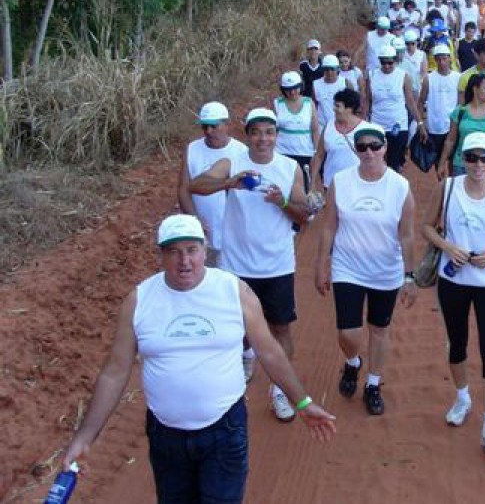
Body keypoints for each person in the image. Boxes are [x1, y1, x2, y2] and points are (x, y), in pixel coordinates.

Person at [59, 215, 336, 504]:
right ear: (161, 255)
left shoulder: (233, 291)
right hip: (166, 437)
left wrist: (302, 401)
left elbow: (268, 350)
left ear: (205, 251)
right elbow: (115, 373)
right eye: (173, 251)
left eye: (192, 250)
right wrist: (84, 438)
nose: (184, 261)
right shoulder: (139, 301)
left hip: (224, 431)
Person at [189, 108, 311, 421]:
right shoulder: (234, 162)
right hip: (236, 264)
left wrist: (282, 201)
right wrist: (230, 183)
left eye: (269, 132)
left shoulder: (290, 167)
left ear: (276, 136)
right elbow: (196, 185)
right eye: (256, 132)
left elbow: (304, 215)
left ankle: (282, 392)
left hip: (277, 265)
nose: (263, 139)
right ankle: (244, 361)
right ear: (248, 136)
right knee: (235, 327)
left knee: (280, 327)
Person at [421, 132, 485, 453]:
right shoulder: (448, 188)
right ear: (461, 159)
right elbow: (426, 226)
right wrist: (449, 246)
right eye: (471, 157)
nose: (478, 164)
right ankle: (463, 396)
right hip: (452, 282)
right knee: (457, 344)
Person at [315, 124, 418, 416]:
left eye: (375, 146)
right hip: (348, 267)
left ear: (385, 147)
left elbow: (407, 234)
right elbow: (329, 225)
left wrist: (410, 277)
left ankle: (373, 384)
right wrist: (321, 265)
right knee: (348, 332)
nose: (369, 152)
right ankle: (352, 362)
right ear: (355, 151)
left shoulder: (399, 186)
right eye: (362, 147)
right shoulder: (342, 181)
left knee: (379, 329)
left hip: (385, 271)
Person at [177, 101, 247, 268]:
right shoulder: (192, 149)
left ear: (227, 124)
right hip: (203, 231)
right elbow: (183, 189)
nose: (208, 131)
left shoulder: (241, 152)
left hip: (233, 233)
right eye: (205, 127)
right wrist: (195, 220)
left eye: (214, 126)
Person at [365, 44, 426, 173]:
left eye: (390, 62)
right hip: (377, 125)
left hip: (398, 125)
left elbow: (410, 101)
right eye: (383, 62)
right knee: (377, 161)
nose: (386, 66)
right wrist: (363, 122)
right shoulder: (371, 76)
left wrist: (420, 122)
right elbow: (367, 101)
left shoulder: (403, 76)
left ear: (395, 60)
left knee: (395, 163)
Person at [440, 73, 485, 181]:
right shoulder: (460, 112)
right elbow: (450, 140)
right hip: (462, 164)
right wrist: (442, 163)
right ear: (475, 89)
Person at [311, 88, 367, 192]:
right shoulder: (328, 126)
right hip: (331, 184)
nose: (334, 109)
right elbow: (319, 155)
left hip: (358, 184)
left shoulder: (365, 129)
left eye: (338, 106)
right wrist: (312, 182)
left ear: (349, 109)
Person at [273, 71, 319, 194]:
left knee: (303, 188)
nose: (292, 92)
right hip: (282, 152)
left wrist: (316, 152)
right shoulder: (277, 104)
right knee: (283, 186)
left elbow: (315, 130)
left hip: (304, 152)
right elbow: (272, 130)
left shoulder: (309, 104)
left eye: (295, 88)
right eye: (288, 89)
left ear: (300, 86)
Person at [419, 44, 462, 172]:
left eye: (444, 58)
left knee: (454, 162)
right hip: (435, 128)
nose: (442, 62)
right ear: (435, 60)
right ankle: (443, 187)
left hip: (453, 127)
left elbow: (461, 104)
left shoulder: (458, 78)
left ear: (450, 59)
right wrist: (421, 123)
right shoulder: (428, 79)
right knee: (439, 163)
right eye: (439, 59)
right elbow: (420, 102)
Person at [313, 54, 354, 131]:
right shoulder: (316, 85)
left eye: (332, 69)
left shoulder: (345, 83)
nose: (329, 72)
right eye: (326, 69)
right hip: (322, 127)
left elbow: (353, 105)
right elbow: (314, 107)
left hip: (342, 126)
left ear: (338, 69)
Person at [402, 29, 428, 100]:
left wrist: (418, 83)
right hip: (402, 87)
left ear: (416, 42)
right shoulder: (401, 54)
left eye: (412, 43)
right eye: (407, 44)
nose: (410, 46)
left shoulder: (421, 54)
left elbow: (424, 72)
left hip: (416, 88)